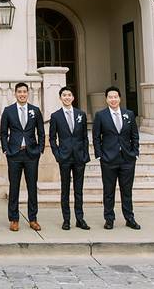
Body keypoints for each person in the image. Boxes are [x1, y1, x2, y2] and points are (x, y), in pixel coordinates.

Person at [92, 85, 141, 230]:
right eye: (110, 97)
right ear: (106, 99)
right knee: (109, 191)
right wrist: (100, 155)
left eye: (115, 97)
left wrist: (135, 153)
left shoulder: (129, 114)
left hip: (127, 158)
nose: (113, 99)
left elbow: (134, 136)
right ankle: (109, 219)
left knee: (127, 191)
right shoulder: (100, 115)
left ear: (119, 98)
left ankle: (129, 218)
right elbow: (96, 137)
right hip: (108, 159)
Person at [0, 82, 45, 231]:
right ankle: (14, 219)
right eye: (20, 92)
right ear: (15, 93)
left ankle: (33, 219)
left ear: (28, 93)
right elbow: (3, 132)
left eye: (25, 92)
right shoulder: (8, 111)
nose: (22, 94)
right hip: (14, 154)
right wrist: (6, 150)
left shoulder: (35, 110)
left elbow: (41, 132)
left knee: (32, 187)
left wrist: (40, 149)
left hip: (31, 154)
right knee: (14, 187)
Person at [48, 86, 90, 230]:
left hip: (79, 157)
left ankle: (80, 218)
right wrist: (57, 154)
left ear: (73, 97)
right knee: (65, 189)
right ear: (60, 98)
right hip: (64, 157)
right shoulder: (55, 116)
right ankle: (66, 219)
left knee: (79, 190)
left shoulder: (81, 114)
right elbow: (52, 138)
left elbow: (85, 137)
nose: (67, 97)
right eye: (64, 95)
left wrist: (85, 154)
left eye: (69, 95)